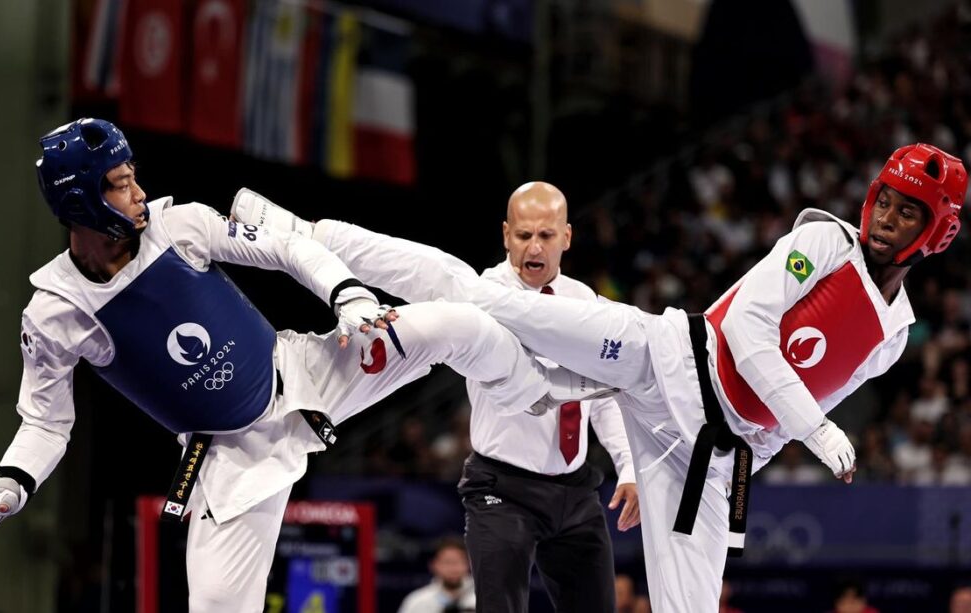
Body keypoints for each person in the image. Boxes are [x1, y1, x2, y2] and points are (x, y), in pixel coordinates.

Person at [233, 143, 967, 612]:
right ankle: (304, 236)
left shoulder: (894, 335)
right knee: (470, 297)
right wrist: (820, 430)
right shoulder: (821, 240)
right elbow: (744, 331)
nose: (888, 219)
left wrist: (743, 458)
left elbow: (785, 415)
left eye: (910, 213)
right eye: (887, 202)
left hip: (704, 461)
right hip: (665, 360)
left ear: (936, 231)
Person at [0, 119, 611, 613]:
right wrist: (7, 486)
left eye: (133, 175)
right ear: (79, 200)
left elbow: (291, 251)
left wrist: (348, 295)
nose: (138, 190)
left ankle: (539, 389)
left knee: (459, 321)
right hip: (229, 455)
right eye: (120, 184)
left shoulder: (179, 224)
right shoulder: (55, 312)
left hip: (308, 368)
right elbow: (45, 422)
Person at [237, 181, 639, 612]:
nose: (533, 248)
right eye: (523, 236)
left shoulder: (588, 303)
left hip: (575, 487)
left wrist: (629, 466)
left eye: (545, 235)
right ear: (506, 235)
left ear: (567, 237)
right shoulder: (484, 293)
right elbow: (410, 269)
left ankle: (308, 235)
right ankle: (305, 234)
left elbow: (608, 397)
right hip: (504, 488)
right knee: (441, 281)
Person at [397, 537, 476, 613]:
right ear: (433, 565)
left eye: (459, 562)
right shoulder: (417, 601)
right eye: (447, 562)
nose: (453, 568)